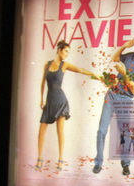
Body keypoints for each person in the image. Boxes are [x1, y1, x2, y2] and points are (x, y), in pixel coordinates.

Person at [93, 34, 134, 176]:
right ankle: (98, 163)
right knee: (101, 130)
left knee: (124, 132)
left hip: (125, 100)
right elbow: (115, 58)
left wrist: (124, 74)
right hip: (111, 95)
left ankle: (125, 164)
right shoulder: (131, 55)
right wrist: (125, 46)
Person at [37, 41, 99, 173]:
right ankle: (40, 158)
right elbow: (42, 83)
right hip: (49, 101)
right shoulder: (47, 65)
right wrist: (41, 99)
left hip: (60, 100)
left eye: (69, 53)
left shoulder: (65, 65)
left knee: (60, 131)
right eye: (66, 51)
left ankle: (60, 159)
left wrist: (94, 75)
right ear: (59, 50)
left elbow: (80, 70)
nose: (67, 54)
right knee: (42, 130)